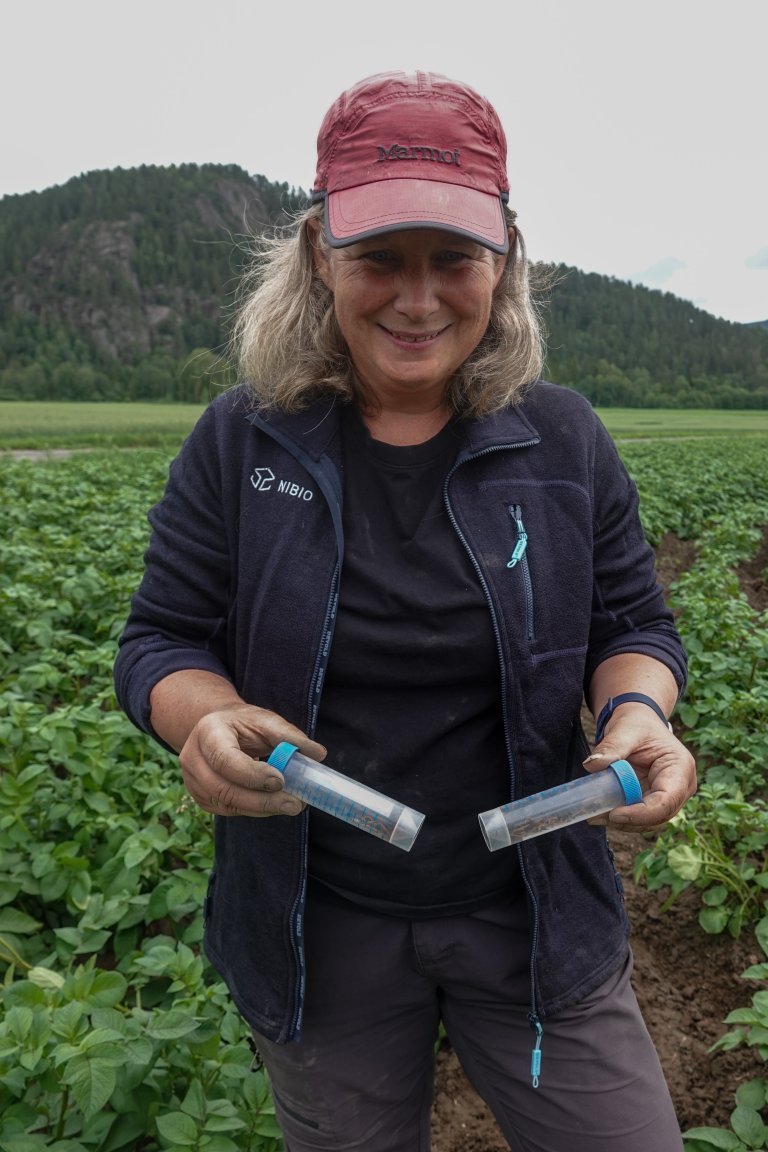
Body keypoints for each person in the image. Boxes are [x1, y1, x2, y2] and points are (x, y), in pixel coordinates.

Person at [115, 70, 697, 1152]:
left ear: (503, 265)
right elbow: (162, 639)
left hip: (534, 916)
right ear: (316, 259)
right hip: (317, 923)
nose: (418, 298)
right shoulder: (242, 443)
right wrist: (199, 718)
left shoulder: (564, 442)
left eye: (455, 259)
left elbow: (634, 631)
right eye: (380, 258)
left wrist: (639, 714)